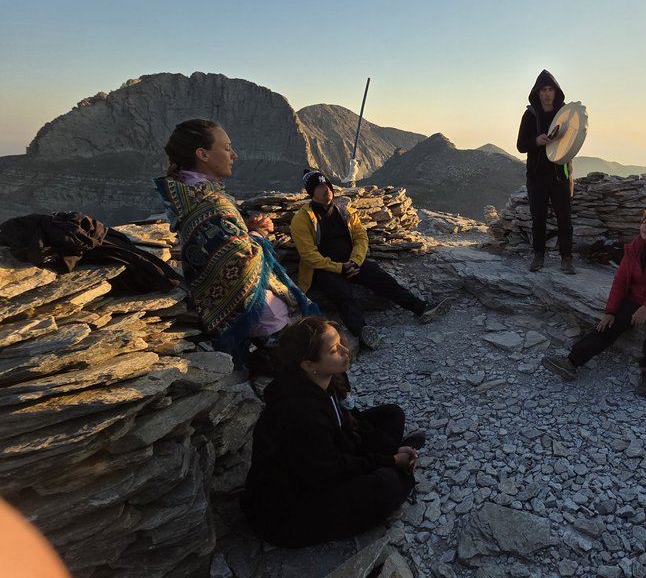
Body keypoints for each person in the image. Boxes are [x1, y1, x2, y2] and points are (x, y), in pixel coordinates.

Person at [241, 316, 423, 547]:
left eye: (341, 343)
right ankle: (388, 479)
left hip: (324, 458)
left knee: (392, 415)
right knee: (390, 482)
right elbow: (330, 473)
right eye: (335, 350)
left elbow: (351, 422)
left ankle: (389, 464)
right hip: (290, 510)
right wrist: (388, 461)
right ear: (308, 365)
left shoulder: (329, 378)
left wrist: (392, 450)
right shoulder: (300, 415)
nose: (346, 351)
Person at [154, 119, 317, 366]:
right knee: (311, 361)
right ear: (203, 154)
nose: (234, 154)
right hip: (263, 316)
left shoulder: (189, 195)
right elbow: (240, 257)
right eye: (227, 147)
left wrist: (245, 226)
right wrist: (258, 235)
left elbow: (216, 241)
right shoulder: (212, 202)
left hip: (239, 310)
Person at [543, 204, 646, 397]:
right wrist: (610, 311)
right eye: (644, 222)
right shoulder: (633, 249)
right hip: (636, 298)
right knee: (610, 326)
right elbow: (621, 281)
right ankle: (571, 362)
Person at [289, 168, 449, 348]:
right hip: (324, 269)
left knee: (382, 278)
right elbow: (309, 255)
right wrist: (340, 268)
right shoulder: (302, 219)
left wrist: (355, 261)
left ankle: (421, 309)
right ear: (311, 192)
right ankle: (363, 334)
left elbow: (361, 237)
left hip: (352, 262)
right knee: (342, 294)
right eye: (319, 186)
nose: (325, 189)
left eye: (327, 184)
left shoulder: (344, 211)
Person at [517, 69, 575, 274]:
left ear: (556, 91)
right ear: (538, 92)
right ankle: (538, 256)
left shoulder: (565, 114)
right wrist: (536, 141)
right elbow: (520, 145)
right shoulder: (530, 115)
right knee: (538, 219)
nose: (547, 93)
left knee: (564, 219)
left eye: (550, 89)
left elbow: (574, 138)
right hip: (536, 176)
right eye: (543, 90)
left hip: (561, 174)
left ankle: (566, 258)